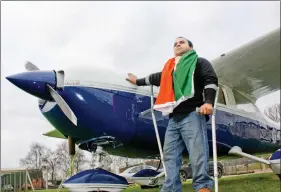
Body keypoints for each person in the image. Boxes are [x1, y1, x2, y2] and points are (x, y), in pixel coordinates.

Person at [126, 37, 218, 192]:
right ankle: (171, 189)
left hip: (193, 114)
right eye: (175, 43)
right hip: (173, 119)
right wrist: (137, 81)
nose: (177, 44)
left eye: (181, 42)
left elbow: (211, 80)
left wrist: (208, 102)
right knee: (169, 156)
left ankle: (202, 187)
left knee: (197, 153)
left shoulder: (200, 62)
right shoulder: (170, 70)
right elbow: (154, 78)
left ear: (190, 46)